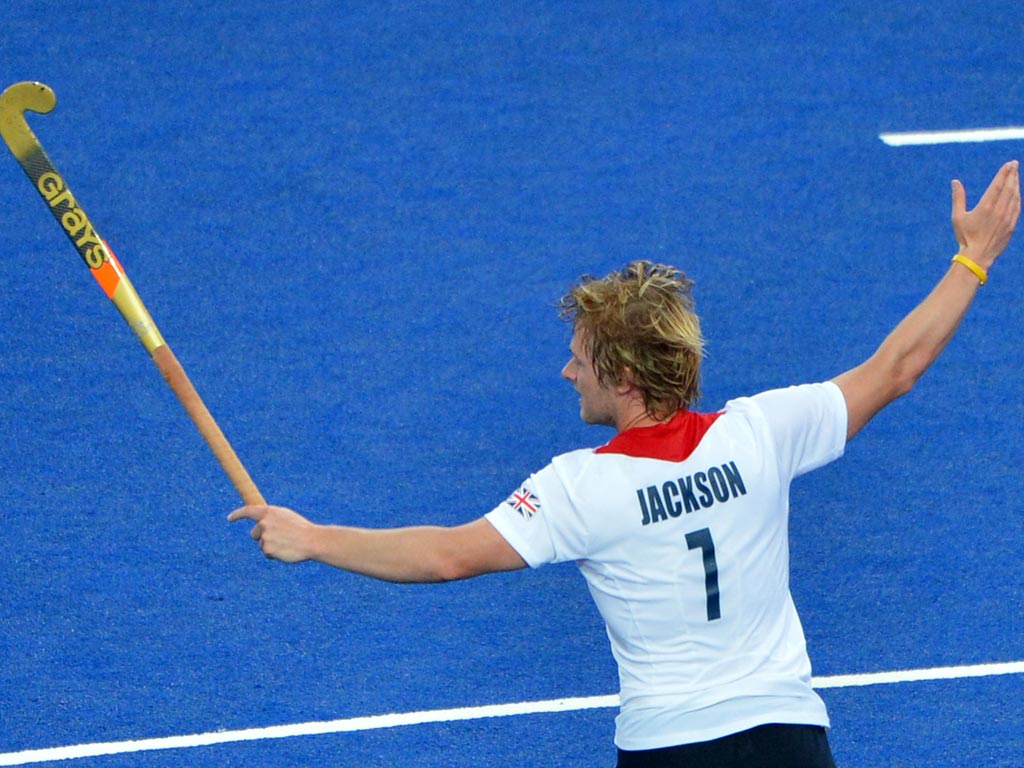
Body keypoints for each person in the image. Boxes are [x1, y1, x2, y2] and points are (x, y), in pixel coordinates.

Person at [229, 161, 1020, 767]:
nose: (568, 373)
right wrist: (975, 259)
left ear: (624, 378)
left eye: (580, 360)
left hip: (670, 747)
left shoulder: (578, 487)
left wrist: (313, 537)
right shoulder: (762, 431)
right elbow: (897, 368)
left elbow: (444, 556)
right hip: (789, 740)